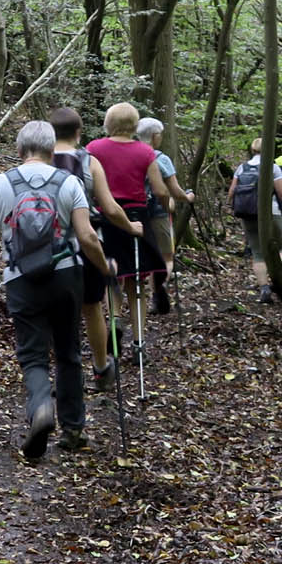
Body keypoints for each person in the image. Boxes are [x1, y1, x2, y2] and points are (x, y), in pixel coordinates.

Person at [0, 119, 111, 461]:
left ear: (19, 150)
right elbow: (87, 236)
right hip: (66, 276)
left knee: (32, 354)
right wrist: (106, 268)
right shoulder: (70, 181)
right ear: (51, 150)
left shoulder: (1, 183)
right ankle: (73, 430)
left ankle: (42, 406)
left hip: (20, 278)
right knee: (68, 351)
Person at [49, 106, 139, 389]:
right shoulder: (88, 161)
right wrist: (131, 227)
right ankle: (101, 368)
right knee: (92, 307)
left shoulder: (39, 160)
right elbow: (110, 208)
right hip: (86, 242)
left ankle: (60, 371)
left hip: (48, 245)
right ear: (79, 133)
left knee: (56, 309)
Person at [86, 103, 164, 367]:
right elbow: (158, 189)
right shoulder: (145, 151)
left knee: (112, 274)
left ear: (108, 123)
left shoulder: (94, 148)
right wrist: (168, 202)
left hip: (105, 216)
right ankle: (139, 341)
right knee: (137, 281)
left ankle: (115, 319)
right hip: (136, 217)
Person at [135, 116, 192, 315]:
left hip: (135, 214)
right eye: (160, 134)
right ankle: (158, 290)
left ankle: (144, 297)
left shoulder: (131, 155)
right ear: (154, 136)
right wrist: (187, 197)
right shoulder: (161, 158)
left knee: (142, 257)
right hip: (159, 212)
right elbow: (175, 190)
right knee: (166, 256)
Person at [232, 137, 282, 303]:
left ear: (252, 150)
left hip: (247, 214)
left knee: (257, 252)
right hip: (271, 213)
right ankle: (279, 280)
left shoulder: (242, 167)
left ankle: (264, 289)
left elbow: (232, 192)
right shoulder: (272, 167)